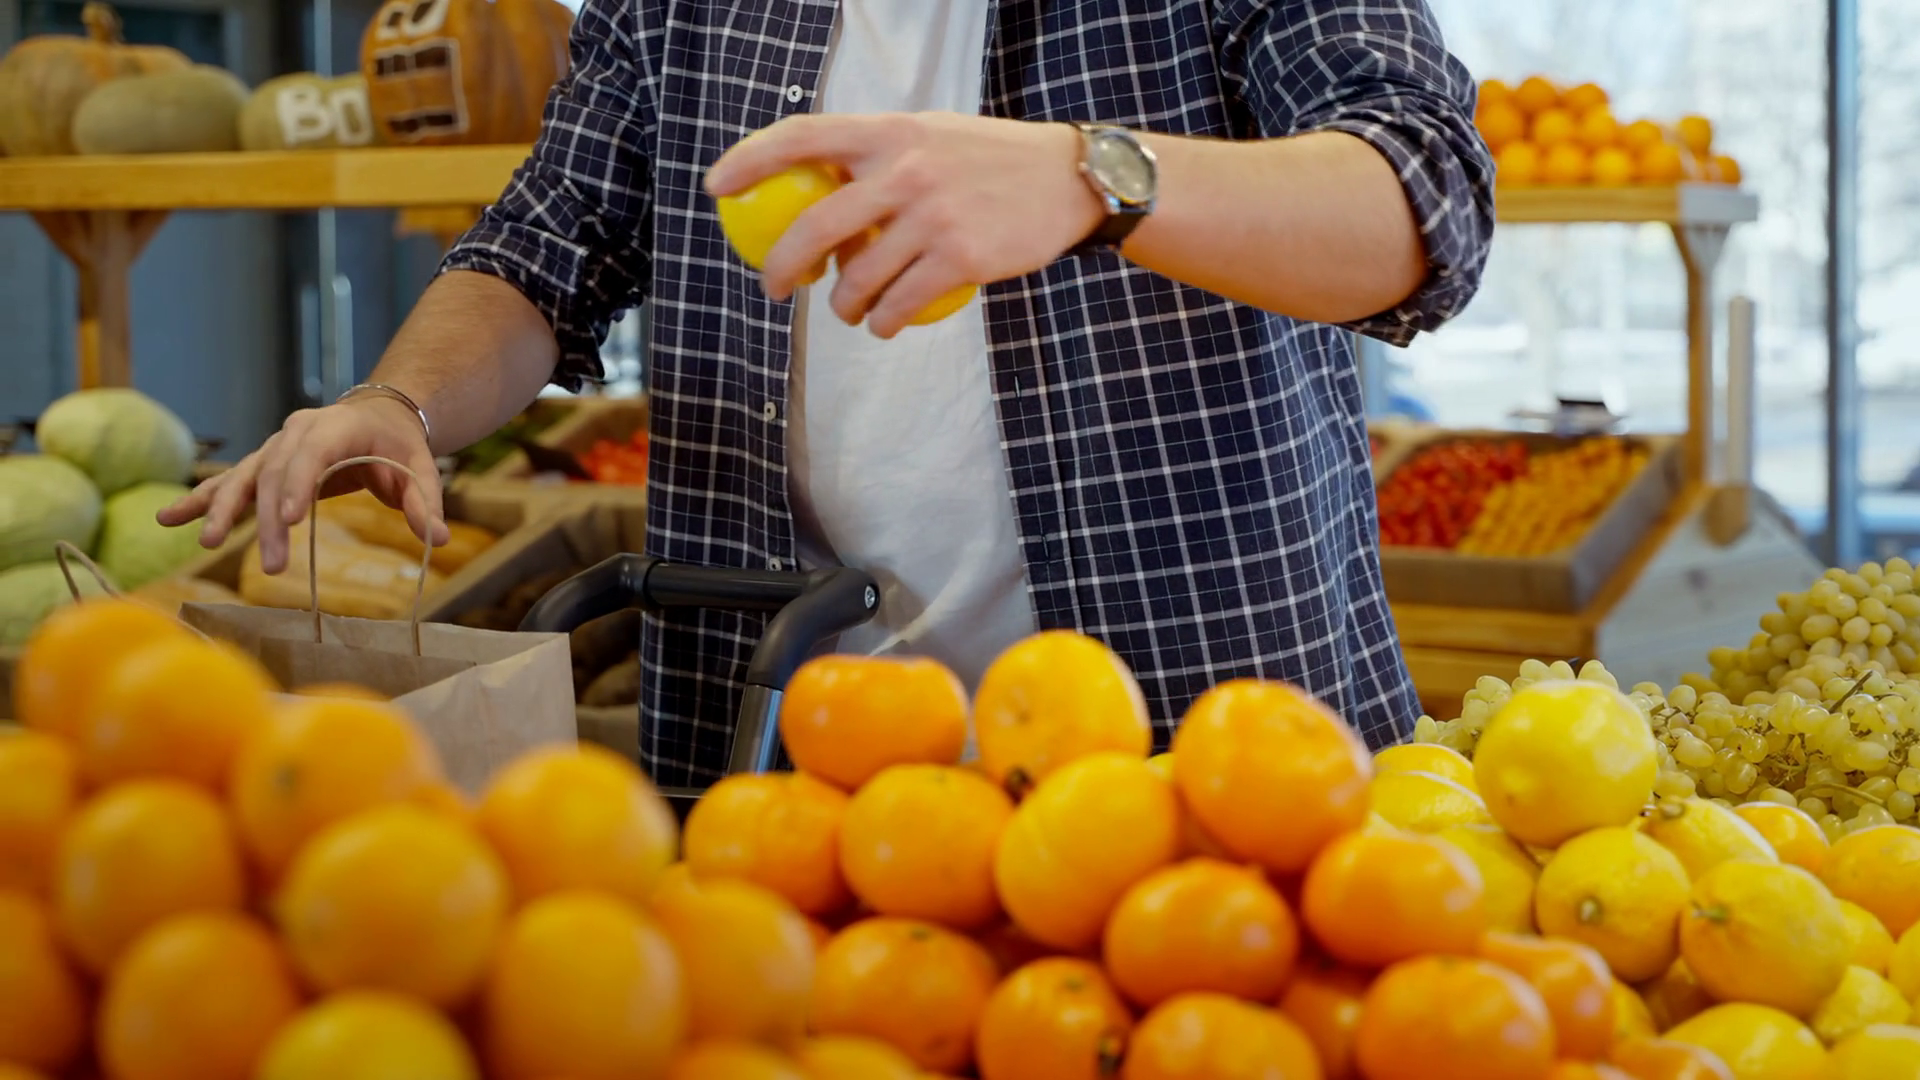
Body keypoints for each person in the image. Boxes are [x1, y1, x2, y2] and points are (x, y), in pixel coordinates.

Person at [160, 0, 1496, 786]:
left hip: (1206, 747)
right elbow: (545, 244)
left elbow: (1422, 196)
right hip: (788, 762)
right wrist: (398, 402)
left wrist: (1094, 177)